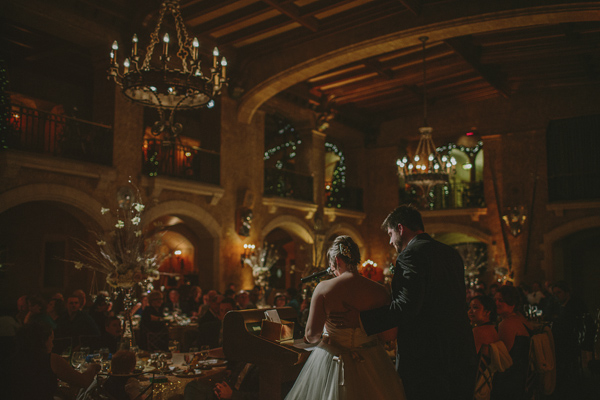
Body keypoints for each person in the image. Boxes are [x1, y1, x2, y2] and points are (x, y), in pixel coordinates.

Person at [330, 205, 476, 400]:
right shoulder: (450, 253)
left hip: (426, 358)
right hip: (460, 350)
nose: (390, 241)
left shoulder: (411, 255)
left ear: (401, 228)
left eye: (390, 234)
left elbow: (406, 306)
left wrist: (361, 318)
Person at [285, 235, 405, 400]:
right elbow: (389, 336)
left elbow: (312, 336)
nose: (332, 271)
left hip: (332, 361)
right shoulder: (379, 291)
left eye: (331, 266)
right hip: (372, 361)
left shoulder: (323, 288)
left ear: (336, 259)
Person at [5, 322, 100, 400]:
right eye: (51, 340)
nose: (52, 345)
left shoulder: (10, 360)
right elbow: (84, 381)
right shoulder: (52, 360)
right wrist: (92, 367)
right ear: (43, 341)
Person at [491, 285, 532, 399]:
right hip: (523, 377)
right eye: (495, 300)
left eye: (501, 300)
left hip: (510, 381)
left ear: (512, 303)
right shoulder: (520, 318)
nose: (497, 303)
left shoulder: (507, 323)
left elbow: (502, 358)